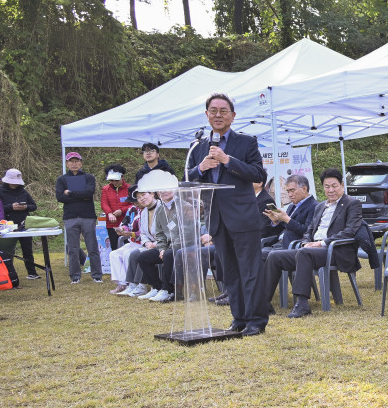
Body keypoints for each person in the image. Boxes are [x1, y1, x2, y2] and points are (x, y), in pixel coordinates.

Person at [186, 93, 269, 336]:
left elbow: (258, 174)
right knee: (229, 272)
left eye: (223, 111)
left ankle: (256, 321)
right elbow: (188, 178)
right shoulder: (198, 147)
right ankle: (239, 318)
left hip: (242, 217)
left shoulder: (246, 143)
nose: (218, 115)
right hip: (216, 218)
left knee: (250, 270)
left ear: (233, 116)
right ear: (206, 115)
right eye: (213, 110)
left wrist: (227, 160)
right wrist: (201, 167)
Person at [260, 169, 363, 319]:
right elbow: (309, 230)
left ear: (342, 185)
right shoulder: (321, 206)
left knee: (304, 253)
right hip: (312, 250)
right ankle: (264, 303)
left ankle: (302, 304)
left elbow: (350, 231)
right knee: (275, 256)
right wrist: (306, 242)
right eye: (327, 187)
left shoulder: (352, 203)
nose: (331, 190)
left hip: (336, 250)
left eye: (334, 186)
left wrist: (321, 243)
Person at [56, 151, 104, 284]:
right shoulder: (62, 179)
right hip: (70, 217)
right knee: (72, 248)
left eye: (77, 161)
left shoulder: (89, 177)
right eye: (71, 161)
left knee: (92, 246)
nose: (74, 164)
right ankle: (75, 276)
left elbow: (89, 193)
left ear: (81, 163)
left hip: (87, 216)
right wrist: (80, 196)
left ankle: (97, 275)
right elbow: (60, 197)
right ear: (67, 164)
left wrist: (70, 193)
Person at [127, 189, 178, 301]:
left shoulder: (175, 206)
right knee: (143, 257)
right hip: (162, 244)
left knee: (167, 255)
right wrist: (154, 245)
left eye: (143, 195)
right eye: (139, 197)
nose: (141, 199)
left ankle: (167, 289)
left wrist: (162, 247)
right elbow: (153, 232)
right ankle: (157, 287)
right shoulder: (152, 210)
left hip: (176, 244)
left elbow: (181, 230)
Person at [110, 189, 155, 294]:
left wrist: (132, 234)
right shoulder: (132, 209)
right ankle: (122, 283)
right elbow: (125, 223)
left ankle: (135, 283)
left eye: (137, 201)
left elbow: (146, 232)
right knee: (114, 254)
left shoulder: (148, 211)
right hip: (132, 241)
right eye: (135, 201)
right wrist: (122, 229)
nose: (136, 204)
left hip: (141, 242)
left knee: (127, 254)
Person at [0, 169, 39, 280]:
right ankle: (7, 274)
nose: (14, 184)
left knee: (27, 249)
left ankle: (32, 272)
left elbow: (33, 206)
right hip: (7, 225)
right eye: (11, 181)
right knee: (7, 251)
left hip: (24, 224)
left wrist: (25, 207)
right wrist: (11, 207)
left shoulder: (23, 192)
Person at [262, 175, 317, 251]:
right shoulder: (291, 206)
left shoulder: (314, 206)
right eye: (288, 191)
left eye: (292, 190)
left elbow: (307, 231)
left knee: (262, 254)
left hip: (294, 246)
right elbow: (282, 229)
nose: (290, 195)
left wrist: (287, 219)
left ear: (304, 189)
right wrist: (276, 221)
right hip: (278, 243)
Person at [101, 165, 132, 251]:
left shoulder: (130, 189)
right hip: (112, 223)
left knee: (128, 246)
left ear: (122, 177)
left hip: (127, 221)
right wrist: (109, 213)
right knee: (114, 247)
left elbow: (133, 204)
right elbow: (104, 203)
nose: (114, 182)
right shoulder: (105, 189)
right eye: (111, 180)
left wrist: (122, 210)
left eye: (116, 180)